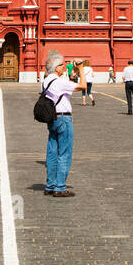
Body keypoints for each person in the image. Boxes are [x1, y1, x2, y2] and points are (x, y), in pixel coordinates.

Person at [40, 50, 82, 197]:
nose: (64, 67)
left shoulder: (45, 81)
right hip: (64, 118)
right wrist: (80, 70)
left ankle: (50, 185)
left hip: (52, 119)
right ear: (56, 68)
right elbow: (82, 86)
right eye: (62, 65)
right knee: (64, 153)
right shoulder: (59, 82)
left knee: (52, 152)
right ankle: (60, 187)